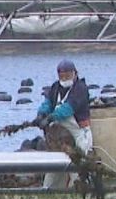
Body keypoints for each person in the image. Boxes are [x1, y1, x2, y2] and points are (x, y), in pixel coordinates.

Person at [35, 59, 92, 189]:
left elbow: (68, 108)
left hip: (79, 134)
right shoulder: (55, 87)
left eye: (68, 74)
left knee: (78, 167)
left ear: (74, 73)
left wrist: (51, 118)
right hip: (59, 138)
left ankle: (79, 191)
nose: (64, 77)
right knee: (54, 167)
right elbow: (48, 103)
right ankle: (49, 191)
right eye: (62, 75)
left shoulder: (80, 89)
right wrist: (41, 114)